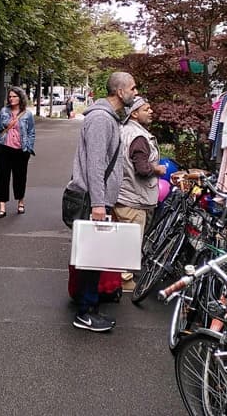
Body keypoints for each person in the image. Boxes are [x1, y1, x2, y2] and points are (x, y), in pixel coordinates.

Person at [69, 72, 138, 332]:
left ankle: (89, 307)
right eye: (133, 88)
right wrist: (99, 203)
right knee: (91, 258)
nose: (136, 92)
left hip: (95, 199)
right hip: (92, 201)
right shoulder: (100, 119)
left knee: (93, 257)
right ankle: (85, 312)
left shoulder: (106, 118)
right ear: (120, 92)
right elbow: (95, 165)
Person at [113, 96, 167, 235]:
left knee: (118, 245)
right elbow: (142, 169)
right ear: (134, 114)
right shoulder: (139, 137)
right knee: (130, 250)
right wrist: (157, 169)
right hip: (133, 202)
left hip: (121, 196)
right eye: (146, 109)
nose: (151, 111)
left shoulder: (122, 130)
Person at [0, 86, 35, 218]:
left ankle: (20, 202)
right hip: (4, 149)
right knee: (2, 178)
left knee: (20, 177)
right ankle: (2, 207)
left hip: (21, 150)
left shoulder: (27, 114)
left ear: (20, 98)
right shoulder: (4, 111)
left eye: (14, 96)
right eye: (10, 96)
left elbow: (31, 132)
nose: (11, 99)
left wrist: (28, 147)